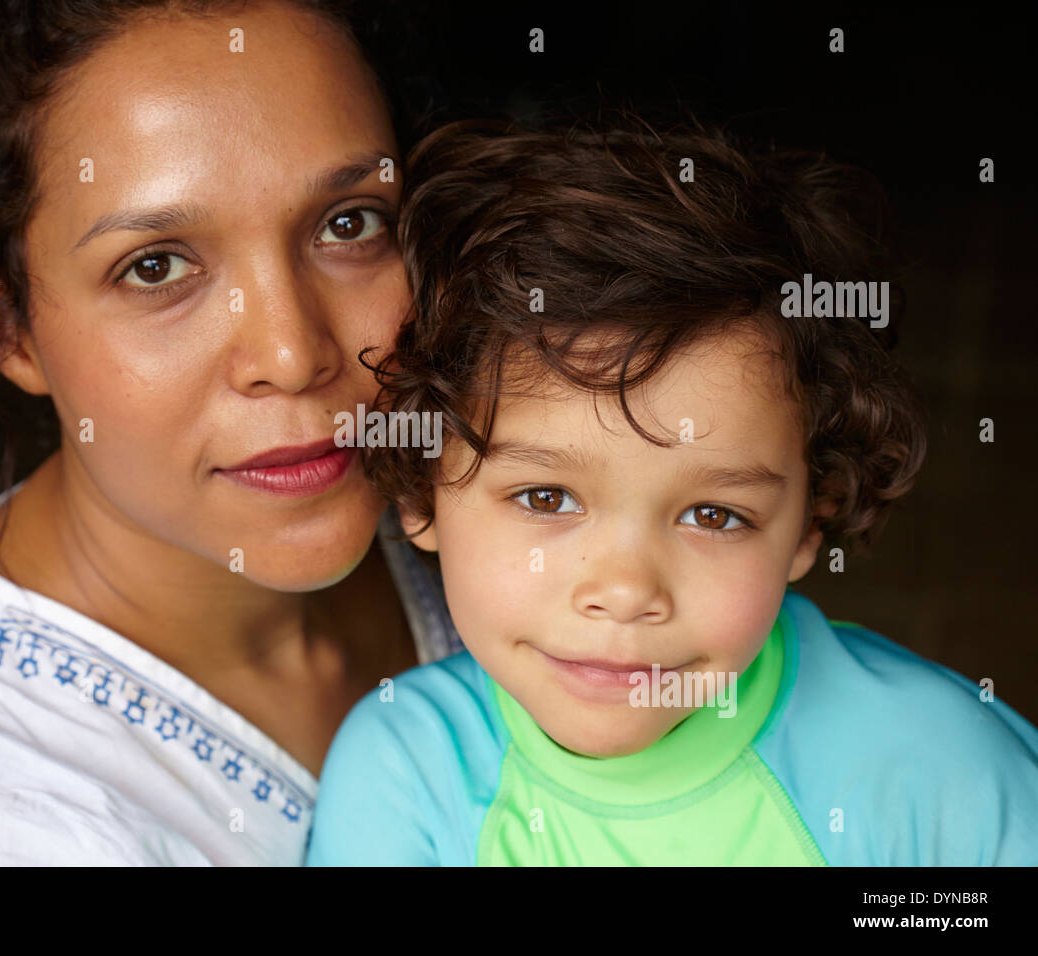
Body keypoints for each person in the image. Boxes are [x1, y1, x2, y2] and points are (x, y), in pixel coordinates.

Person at [0, 0, 462, 866]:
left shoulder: (498, 504)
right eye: (156, 267)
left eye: (348, 222)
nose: (290, 352)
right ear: (3, 326)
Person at [305, 117, 1038, 865]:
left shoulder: (936, 773)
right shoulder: (405, 780)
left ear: (809, 525)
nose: (625, 591)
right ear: (422, 493)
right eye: (546, 498)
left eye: (713, 514)